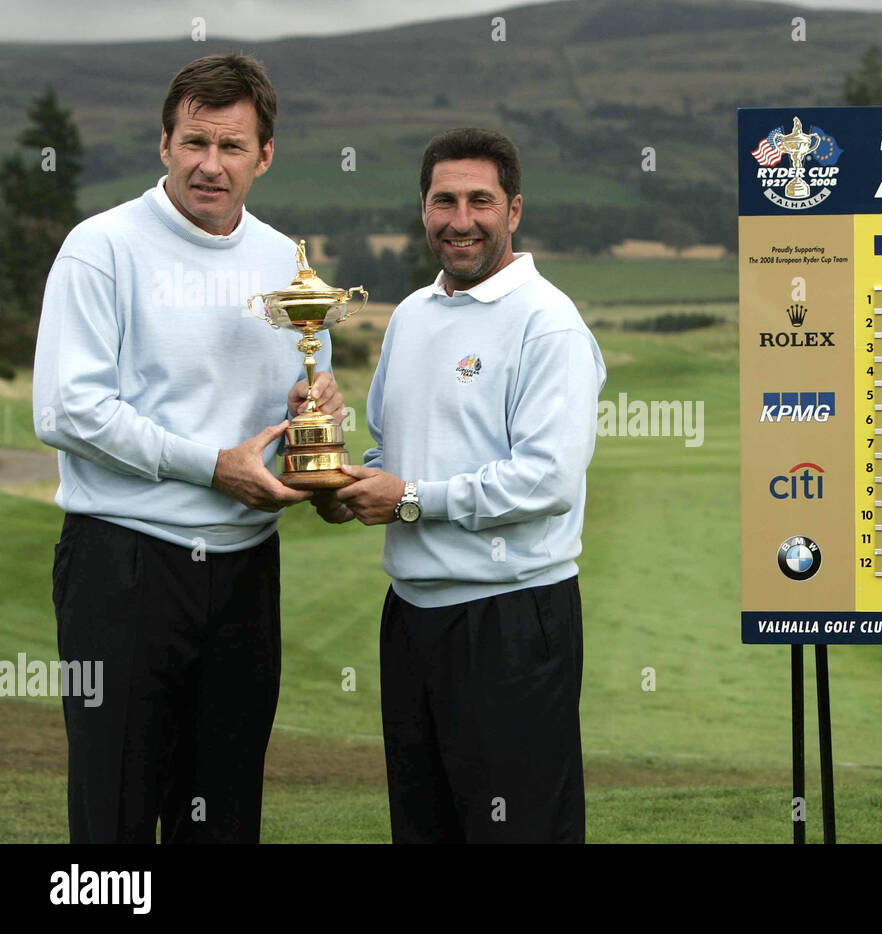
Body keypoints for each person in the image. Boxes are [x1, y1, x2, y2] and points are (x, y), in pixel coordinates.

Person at [32, 53, 343, 843]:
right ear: (164, 144)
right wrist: (210, 466)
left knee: (225, 814)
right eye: (194, 142)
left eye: (232, 146)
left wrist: (318, 410)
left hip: (245, 574)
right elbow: (68, 409)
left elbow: (301, 393)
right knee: (115, 815)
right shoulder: (102, 247)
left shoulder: (286, 262)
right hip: (124, 565)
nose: (211, 165)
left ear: (264, 156)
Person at [313, 127, 605, 843]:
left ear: (514, 211)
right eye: (444, 200)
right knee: (424, 828)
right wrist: (333, 475)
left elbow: (546, 480)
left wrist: (409, 498)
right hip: (411, 618)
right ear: (423, 210)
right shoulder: (412, 315)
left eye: (481, 200)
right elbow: (392, 454)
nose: (461, 219)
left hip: (508, 620)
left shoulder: (547, 324)